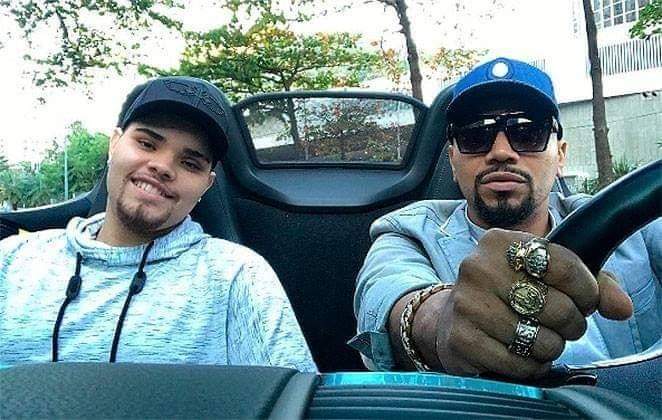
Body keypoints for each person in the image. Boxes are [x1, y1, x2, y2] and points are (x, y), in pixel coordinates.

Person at [350, 57, 660, 379]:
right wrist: (440, 321)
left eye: (527, 133)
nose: (500, 152)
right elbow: (387, 292)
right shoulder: (409, 233)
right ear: (453, 161)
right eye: (475, 136)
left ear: (560, 155)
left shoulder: (632, 219)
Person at [0, 76, 316, 372]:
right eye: (147, 144)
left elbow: (293, 396)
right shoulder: (12, 259)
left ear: (206, 185)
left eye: (189, 163)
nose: (163, 166)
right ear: (114, 144)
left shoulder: (237, 276)